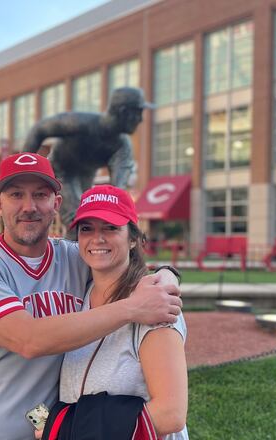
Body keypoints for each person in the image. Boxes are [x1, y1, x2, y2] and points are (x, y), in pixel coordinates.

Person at [0, 153, 181, 439]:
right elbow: (28, 340)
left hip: (47, 433)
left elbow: (120, 257)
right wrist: (133, 308)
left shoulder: (76, 258)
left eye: (40, 194)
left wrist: (167, 275)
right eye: (16, 194)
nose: (29, 206)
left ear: (56, 204)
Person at [41, 185, 188, 439]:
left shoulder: (155, 303)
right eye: (87, 228)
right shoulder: (80, 293)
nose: (98, 238)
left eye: (111, 227)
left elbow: (170, 414)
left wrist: (62, 429)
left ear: (133, 238)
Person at [24, 87, 152, 235]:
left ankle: (85, 255)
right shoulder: (81, 123)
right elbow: (39, 130)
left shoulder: (122, 146)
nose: (141, 119)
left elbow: (117, 193)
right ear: (124, 112)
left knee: (88, 219)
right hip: (61, 169)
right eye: (138, 113)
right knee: (77, 220)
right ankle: (68, 256)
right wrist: (23, 169)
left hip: (85, 175)